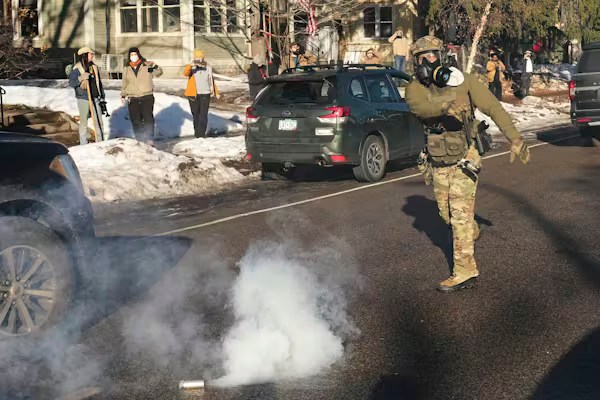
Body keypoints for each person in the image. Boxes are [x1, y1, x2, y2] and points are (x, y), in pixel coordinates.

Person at [404, 35, 530, 292]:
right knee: (447, 215)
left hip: (465, 156)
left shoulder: (466, 81)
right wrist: (448, 102)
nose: (427, 62)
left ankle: (465, 271)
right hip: (438, 159)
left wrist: (515, 138)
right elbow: (422, 109)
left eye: (432, 55)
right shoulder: (415, 87)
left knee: (459, 216)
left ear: (442, 56)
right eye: (421, 58)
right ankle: (471, 230)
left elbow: (494, 107)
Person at [120, 47, 163, 144]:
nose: (133, 56)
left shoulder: (146, 66)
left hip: (146, 96)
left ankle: (149, 138)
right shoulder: (127, 68)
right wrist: (123, 95)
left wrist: (154, 66)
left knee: (148, 119)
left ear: (138, 55)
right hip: (133, 97)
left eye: (135, 54)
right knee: (135, 120)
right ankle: (140, 139)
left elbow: (159, 73)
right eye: (131, 55)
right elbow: (124, 83)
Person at [68, 46, 106, 144]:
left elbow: (99, 83)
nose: (92, 56)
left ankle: (100, 142)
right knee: (84, 122)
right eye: (90, 54)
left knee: (99, 122)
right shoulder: (77, 68)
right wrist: (81, 78)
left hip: (95, 98)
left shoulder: (94, 67)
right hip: (83, 98)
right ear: (85, 55)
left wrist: (102, 97)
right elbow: (71, 83)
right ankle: (83, 143)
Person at [183, 49, 220, 138]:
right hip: (193, 94)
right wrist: (191, 65)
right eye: (197, 57)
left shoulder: (208, 67)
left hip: (205, 93)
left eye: (200, 57)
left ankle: (201, 134)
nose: (199, 59)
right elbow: (185, 73)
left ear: (203, 58)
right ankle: (197, 133)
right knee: (196, 114)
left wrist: (216, 92)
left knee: (203, 114)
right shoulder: (192, 68)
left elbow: (211, 80)